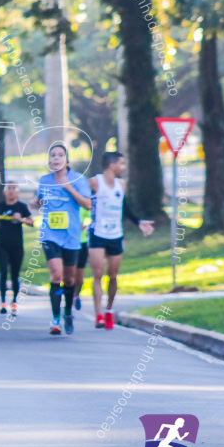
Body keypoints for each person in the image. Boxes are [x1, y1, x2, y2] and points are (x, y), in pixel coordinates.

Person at [88, 152, 154, 329]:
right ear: (112, 165)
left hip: (116, 235)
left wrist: (138, 222)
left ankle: (109, 309)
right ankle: (98, 315)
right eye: (121, 164)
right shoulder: (95, 182)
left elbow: (124, 207)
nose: (123, 167)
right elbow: (83, 201)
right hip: (97, 233)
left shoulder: (121, 184)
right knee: (98, 274)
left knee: (113, 275)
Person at [33, 144, 92, 336]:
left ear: (67, 160)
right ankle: (55, 319)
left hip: (72, 236)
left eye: (60, 155)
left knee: (69, 279)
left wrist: (68, 187)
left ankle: (67, 312)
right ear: (49, 160)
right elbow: (39, 201)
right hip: (50, 234)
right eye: (53, 155)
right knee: (56, 275)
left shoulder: (78, 179)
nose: (56, 158)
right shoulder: (44, 180)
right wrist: (35, 203)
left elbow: (88, 204)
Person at [0, 181, 33, 316]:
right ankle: (2, 302)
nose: (11, 191)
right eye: (9, 188)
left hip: (17, 245)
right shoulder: (0, 206)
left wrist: (21, 220)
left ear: (18, 191)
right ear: (4, 191)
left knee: (14, 274)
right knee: (3, 272)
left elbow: (31, 222)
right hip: (1, 244)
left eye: (14, 188)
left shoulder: (21, 206)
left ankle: (14, 302)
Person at [71, 207, 91, 312]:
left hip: (82, 242)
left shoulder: (83, 204)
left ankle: (76, 295)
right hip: (68, 242)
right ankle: (68, 299)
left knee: (79, 277)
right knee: (69, 275)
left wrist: (85, 225)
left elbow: (91, 217)